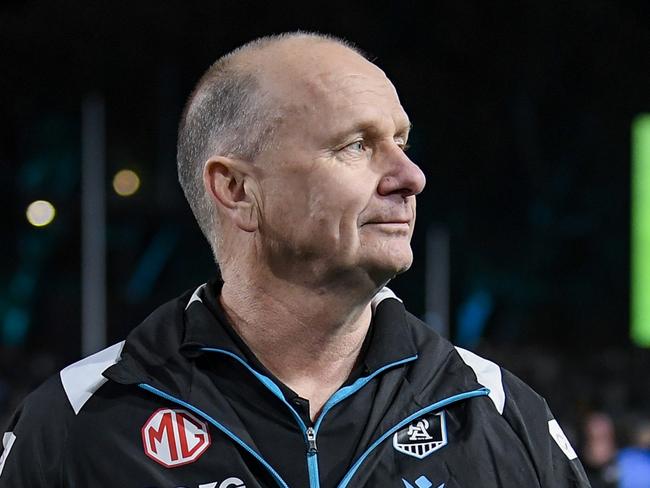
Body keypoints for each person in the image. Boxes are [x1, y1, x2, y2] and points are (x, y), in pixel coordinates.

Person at [0, 32, 590, 487]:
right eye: (356, 145)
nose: (410, 177)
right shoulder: (79, 423)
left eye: (401, 143)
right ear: (236, 190)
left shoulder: (498, 413)